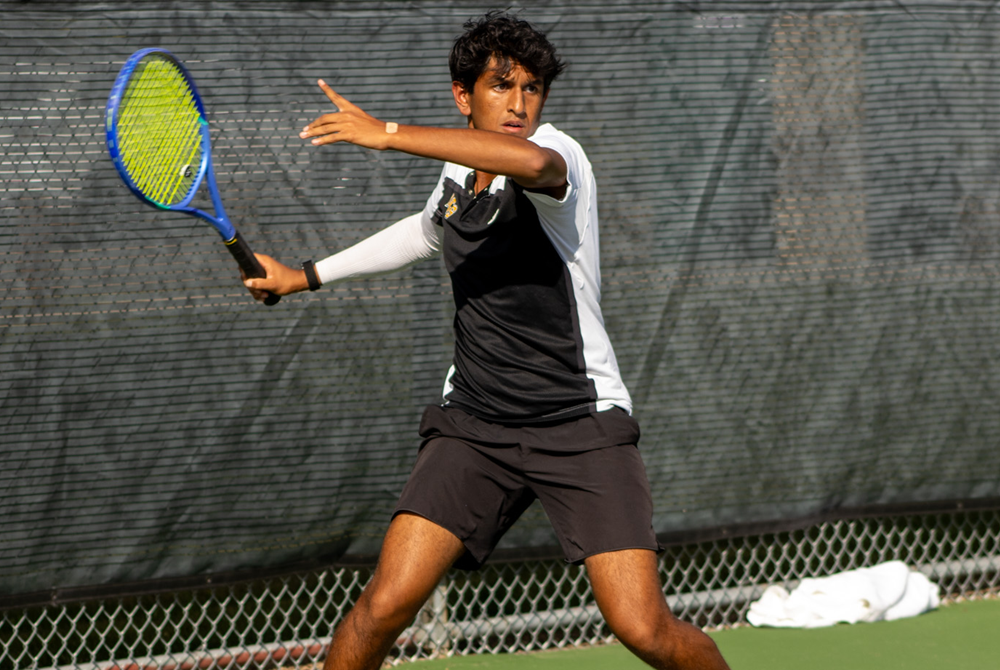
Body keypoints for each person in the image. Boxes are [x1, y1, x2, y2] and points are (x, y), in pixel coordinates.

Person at [244, 11, 731, 670]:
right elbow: (425, 231)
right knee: (383, 607)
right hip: (474, 426)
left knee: (644, 629)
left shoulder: (559, 154)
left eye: (531, 89)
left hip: (580, 425)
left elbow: (532, 162)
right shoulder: (457, 172)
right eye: (501, 86)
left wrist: (385, 135)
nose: (518, 103)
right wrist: (302, 276)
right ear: (462, 95)